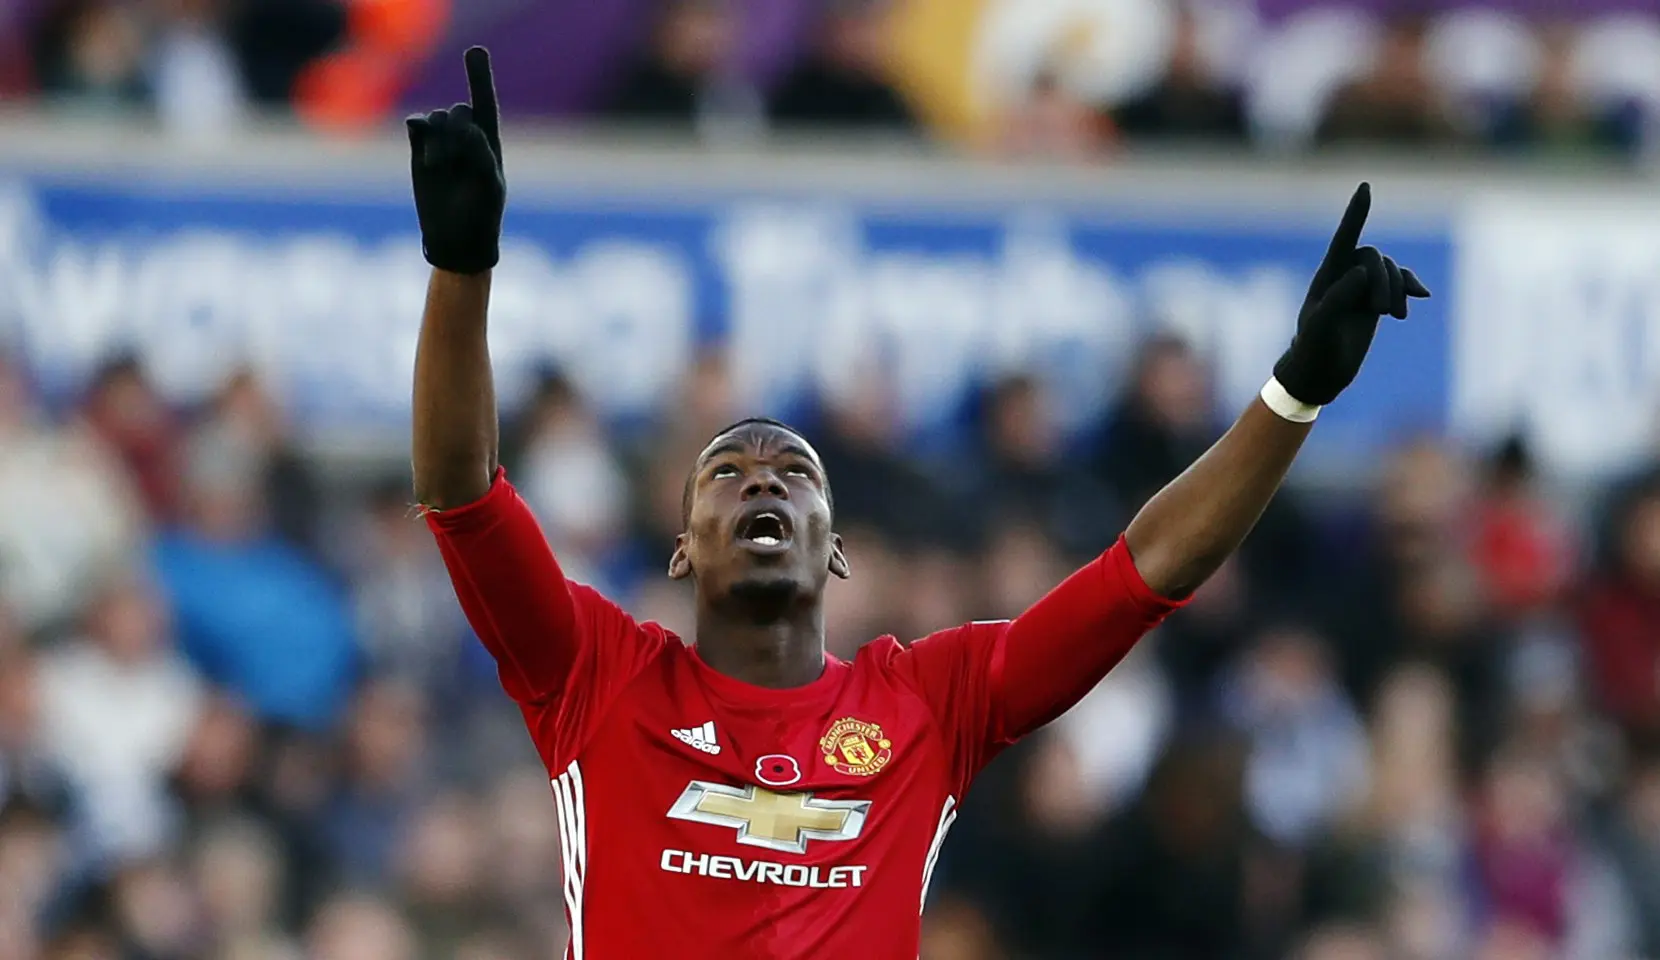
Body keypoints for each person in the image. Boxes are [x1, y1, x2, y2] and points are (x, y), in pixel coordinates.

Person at [403, 47, 1430, 959]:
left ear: (836, 552)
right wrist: (461, 269)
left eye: (794, 473)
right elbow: (462, 493)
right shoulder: (596, 675)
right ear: (681, 551)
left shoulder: (924, 706)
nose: (763, 477)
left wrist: (1291, 395)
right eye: (727, 472)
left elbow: (1141, 576)